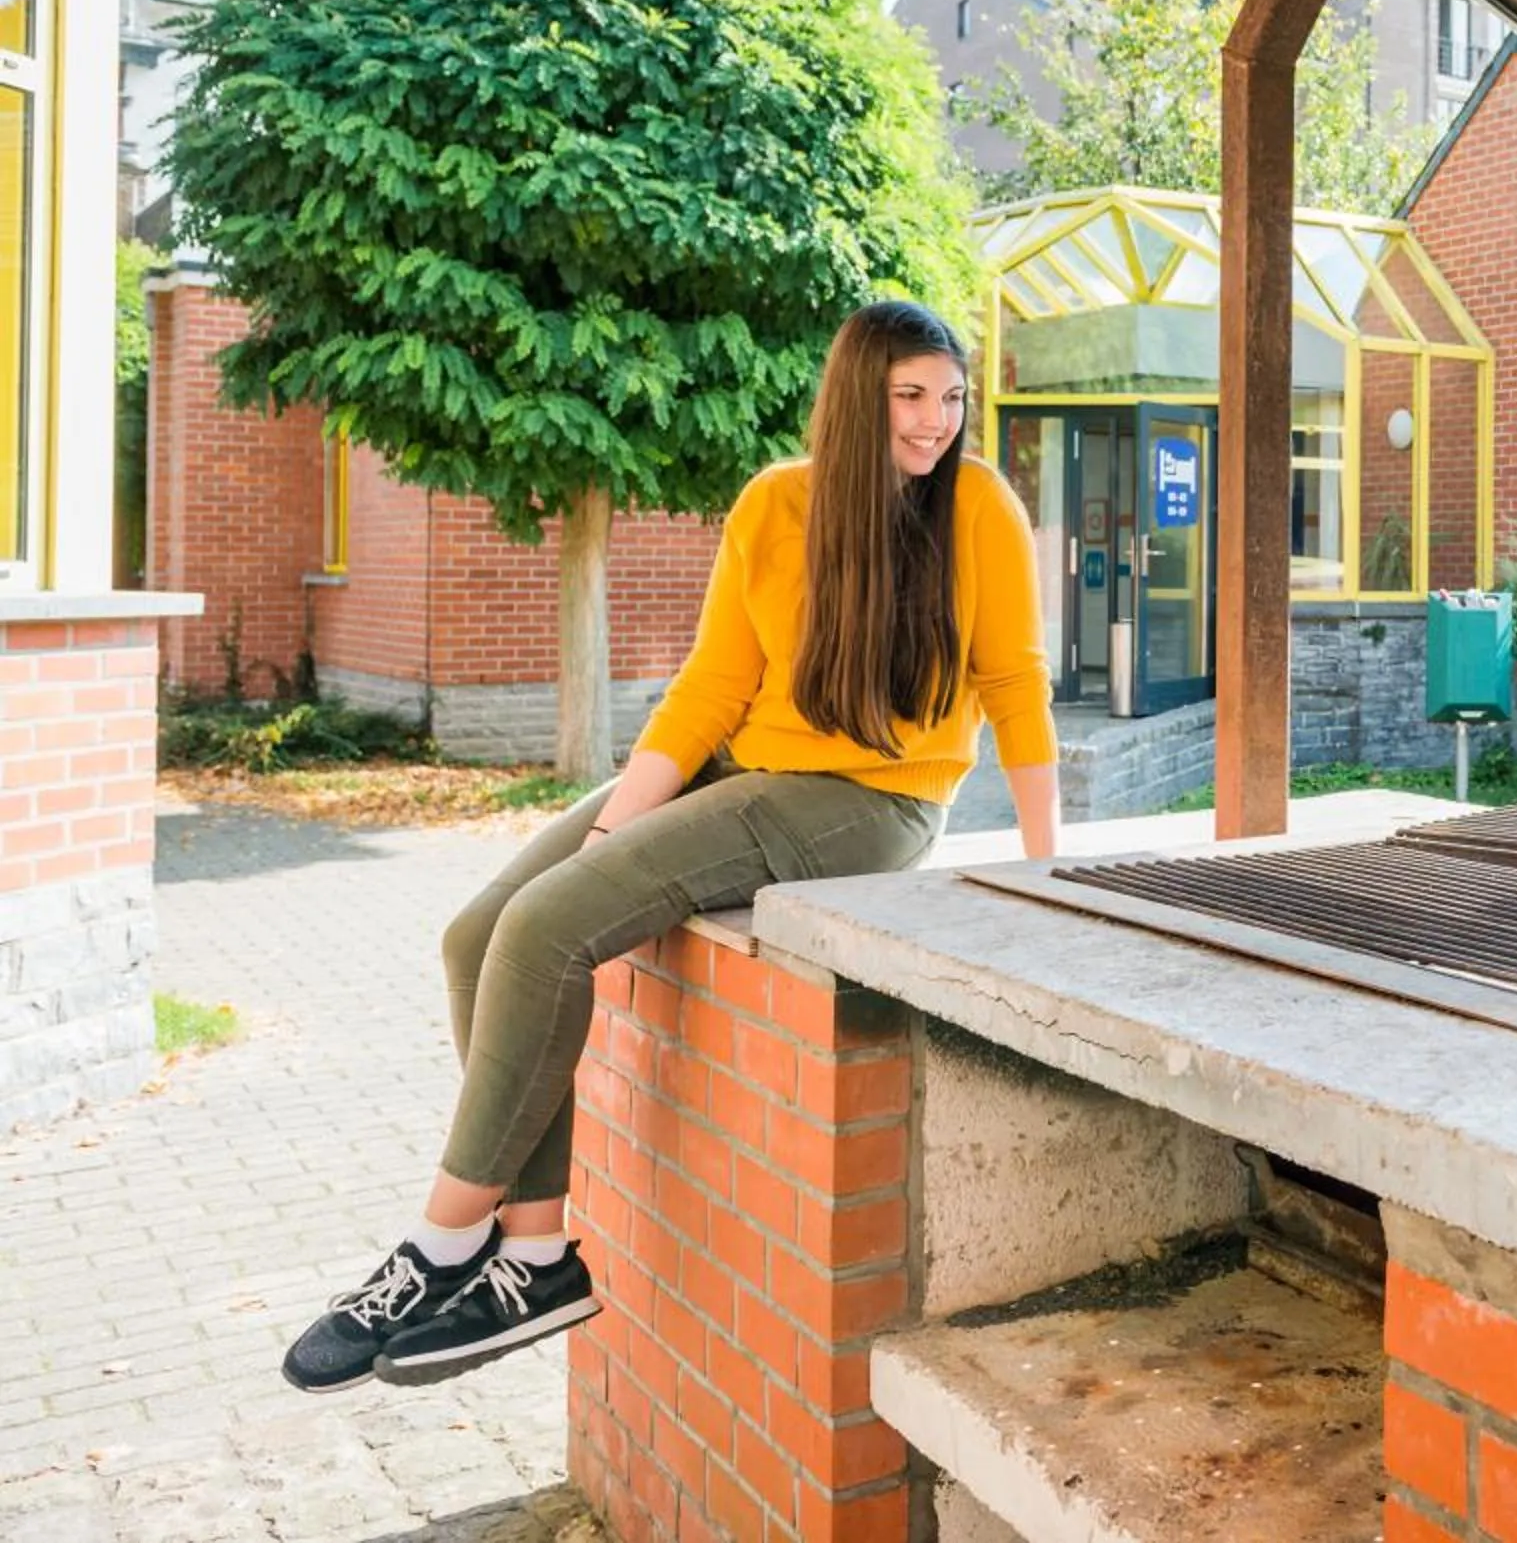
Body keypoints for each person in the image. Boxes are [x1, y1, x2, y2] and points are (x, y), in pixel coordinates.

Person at [282, 301, 1060, 1393]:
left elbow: (1017, 687)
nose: (937, 421)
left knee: (549, 929)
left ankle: (440, 1243)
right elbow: (711, 687)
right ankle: (540, 1252)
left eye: (952, 395)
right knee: (480, 934)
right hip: (739, 768)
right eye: (910, 396)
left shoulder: (979, 507)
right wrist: (609, 829)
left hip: (870, 799)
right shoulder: (775, 505)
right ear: (857, 398)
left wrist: (1042, 863)